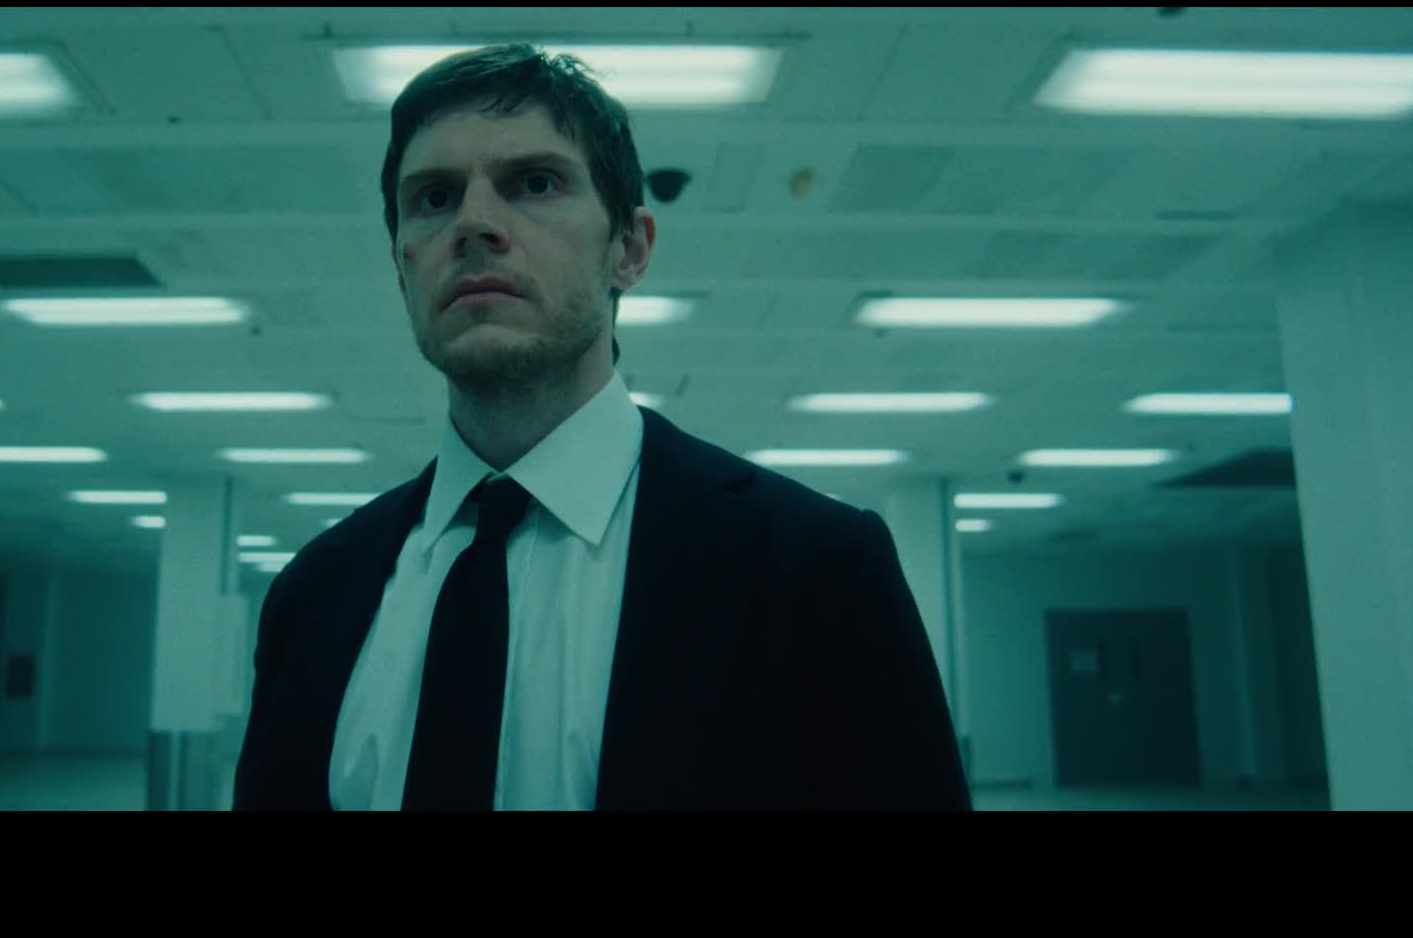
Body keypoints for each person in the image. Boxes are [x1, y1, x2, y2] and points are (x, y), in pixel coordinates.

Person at [233, 44, 969, 811]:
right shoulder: (313, 594)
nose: (474, 223)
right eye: (435, 198)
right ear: (401, 267)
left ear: (629, 249)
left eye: (534, 183)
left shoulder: (816, 569)